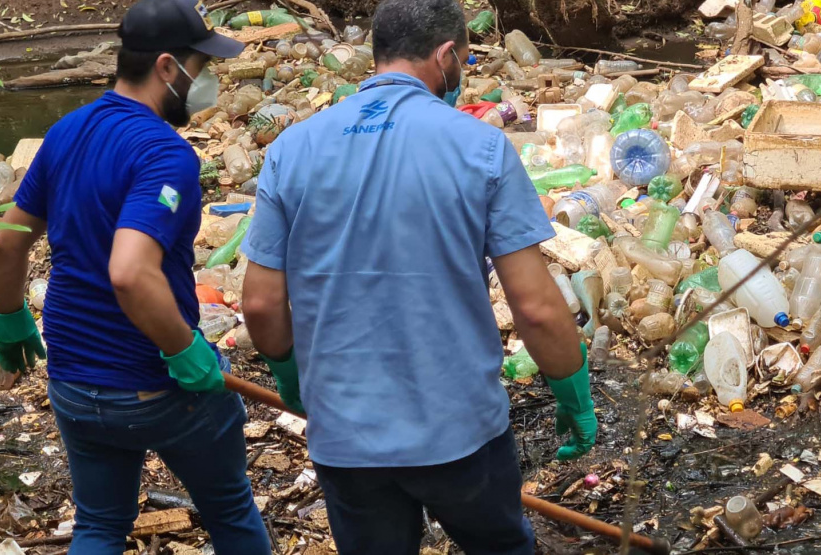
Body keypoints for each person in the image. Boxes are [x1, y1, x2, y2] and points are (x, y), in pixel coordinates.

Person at [240, 0, 597, 551]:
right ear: (447, 55)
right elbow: (536, 306)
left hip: (345, 434)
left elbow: (261, 305)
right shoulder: (480, 146)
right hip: (459, 432)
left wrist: (290, 378)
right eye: (466, 61)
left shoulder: (291, 150)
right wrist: (572, 393)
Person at [0, 1, 270, 553]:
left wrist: (9, 318)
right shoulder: (164, 153)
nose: (208, 81)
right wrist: (184, 351)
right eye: (202, 67)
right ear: (168, 68)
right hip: (157, 384)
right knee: (231, 511)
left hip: (72, 382)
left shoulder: (67, 130)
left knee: (99, 524)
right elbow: (128, 271)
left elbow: (9, 238)